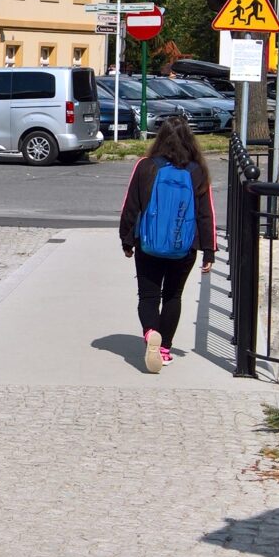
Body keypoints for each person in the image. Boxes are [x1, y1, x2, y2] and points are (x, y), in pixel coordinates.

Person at [118, 117, 217, 372]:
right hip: (184, 247)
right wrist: (209, 249)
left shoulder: (145, 166)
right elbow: (206, 213)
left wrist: (126, 240)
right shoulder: (197, 171)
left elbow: (131, 205)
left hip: (148, 243)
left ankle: (151, 331)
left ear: (160, 137)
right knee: (173, 295)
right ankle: (164, 348)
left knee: (148, 295)